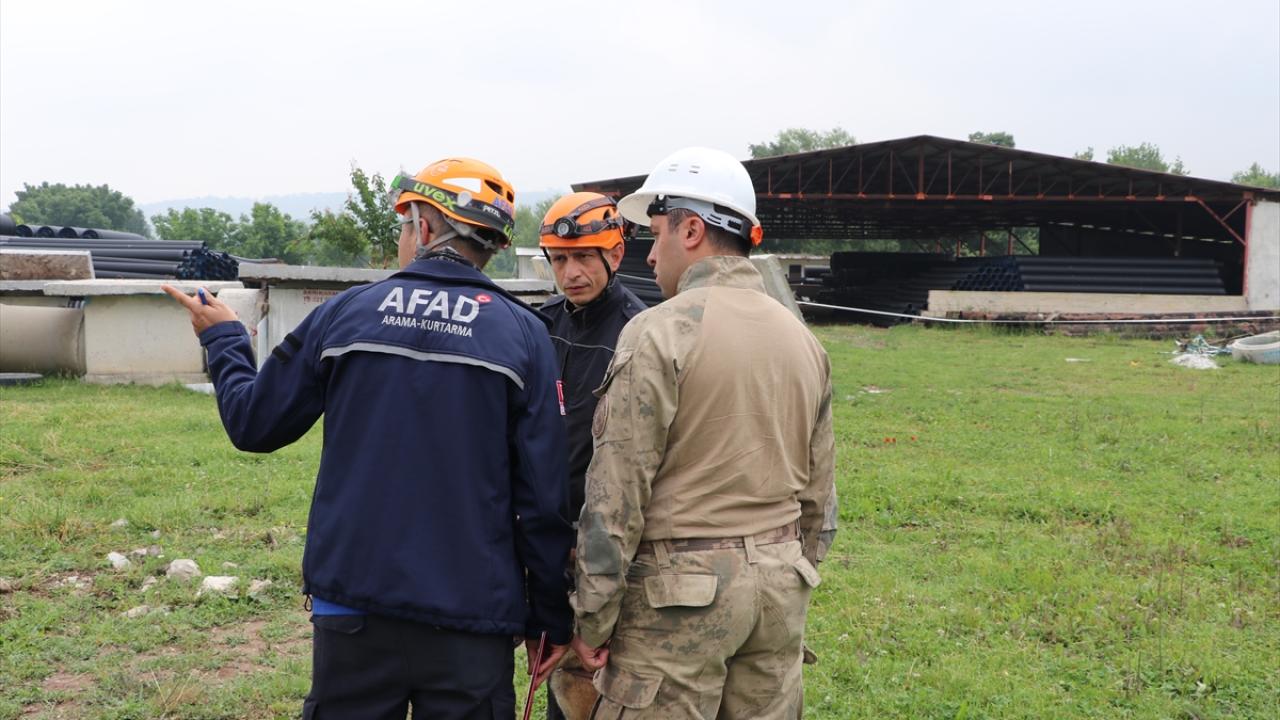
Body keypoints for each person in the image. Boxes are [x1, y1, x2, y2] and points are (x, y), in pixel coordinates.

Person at [162, 157, 573, 720]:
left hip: (353, 606)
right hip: (472, 620)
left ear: (424, 227)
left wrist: (226, 339)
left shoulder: (348, 314)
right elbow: (545, 500)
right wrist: (550, 619)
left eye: (405, 223)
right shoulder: (525, 334)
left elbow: (254, 424)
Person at [568, 147, 836, 718]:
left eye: (655, 234)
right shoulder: (802, 339)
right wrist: (794, 568)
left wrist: (593, 618)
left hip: (676, 601)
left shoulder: (658, 332)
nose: (649, 254)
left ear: (691, 230)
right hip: (779, 589)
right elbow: (820, 499)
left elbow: (616, 497)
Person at [536, 192, 645, 720]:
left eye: (583, 257)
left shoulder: (641, 332)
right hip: (547, 532)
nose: (570, 273)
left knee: (607, 681)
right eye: (559, 260)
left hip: (609, 537)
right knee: (558, 676)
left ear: (615, 254)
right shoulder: (540, 326)